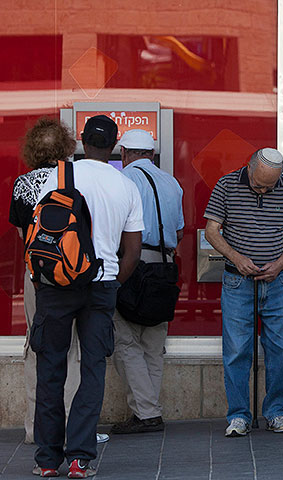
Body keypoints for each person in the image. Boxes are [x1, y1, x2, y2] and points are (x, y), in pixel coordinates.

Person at [31, 115, 143, 477]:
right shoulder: (126, 185)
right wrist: (112, 281)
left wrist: (45, 281)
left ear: (81, 140)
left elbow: (38, 237)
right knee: (93, 370)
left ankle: (48, 461)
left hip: (55, 288)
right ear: (114, 146)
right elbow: (133, 250)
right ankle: (80, 458)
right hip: (101, 286)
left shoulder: (56, 176)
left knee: (50, 369)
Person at [9, 117, 111, 447]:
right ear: (68, 145)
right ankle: (73, 430)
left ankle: (35, 429)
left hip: (37, 275)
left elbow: (23, 234)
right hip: (75, 270)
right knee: (75, 351)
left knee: (39, 347)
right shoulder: (73, 178)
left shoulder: (23, 185)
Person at [204, 148, 283, 437]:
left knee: (279, 349)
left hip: (276, 281)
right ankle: (238, 416)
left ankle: (277, 412)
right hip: (238, 281)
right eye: (259, 184)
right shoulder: (226, 185)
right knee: (237, 350)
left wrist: (280, 264)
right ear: (248, 169)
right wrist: (236, 258)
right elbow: (212, 230)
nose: (264, 190)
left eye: (270, 186)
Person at [110, 129, 184, 435]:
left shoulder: (122, 179)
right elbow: (178, 232)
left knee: (125, 342)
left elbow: (114, 229)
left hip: (131, 265)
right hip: (164, 269)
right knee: (153, 345)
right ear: (152, 154)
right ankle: (147, 412)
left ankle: (148, 413)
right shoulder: (172, 182)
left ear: (125, 153)